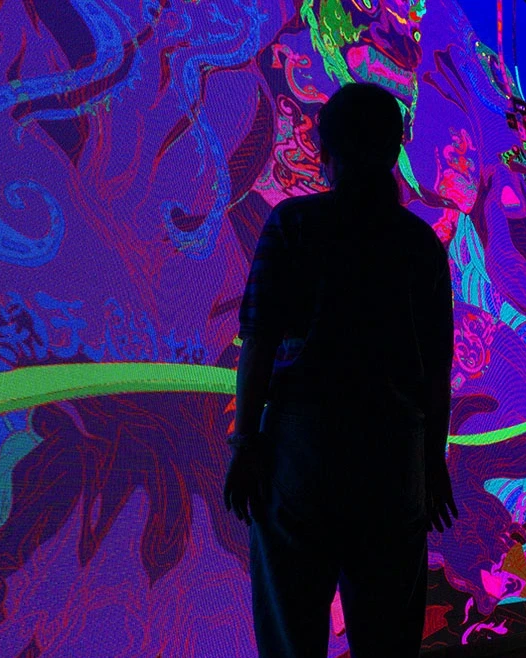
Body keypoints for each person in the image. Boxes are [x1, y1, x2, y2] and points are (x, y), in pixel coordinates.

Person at [223, 82, 458, 658]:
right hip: (395, 457)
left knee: (291, 635)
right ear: (396, 150)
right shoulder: (422, 246)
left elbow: (259, 342)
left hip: (302, 451)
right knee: (388, 640)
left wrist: (245, 445)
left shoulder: (292, 224)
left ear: (323, 152)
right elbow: (436, 374)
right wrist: (432, 463)